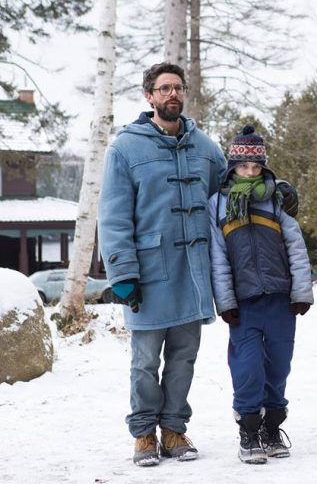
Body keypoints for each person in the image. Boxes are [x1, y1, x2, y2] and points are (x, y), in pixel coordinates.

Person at [98, 62, 226, 466]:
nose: (173, 94)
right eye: (164, 88)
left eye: (178, 87)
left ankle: (173, 429)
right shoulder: (125, 148)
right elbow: (113, 216)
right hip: (148, 274)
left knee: (184, 358)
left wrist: (270, 188)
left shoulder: (205, 147)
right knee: (145, 361)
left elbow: (231, 193)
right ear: (149, 96)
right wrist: (122, 273)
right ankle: (143, 435)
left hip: (193, 272)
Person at [209, 126, 313, 464]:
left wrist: (300, 291)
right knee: (248, 367)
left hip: (280, 300)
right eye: (244, 167)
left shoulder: (275, 199)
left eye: (256, 167)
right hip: (244, 304)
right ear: (232, 168)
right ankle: (249, 429)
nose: (251, 173)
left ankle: (271, 427)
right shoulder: (218, 205)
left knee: (279, 366)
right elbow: (218, 256)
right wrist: (225, 302)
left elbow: (295, 246)